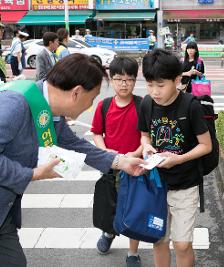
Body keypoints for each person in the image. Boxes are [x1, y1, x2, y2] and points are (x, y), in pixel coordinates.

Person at [0, 53, 146, 267]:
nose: (92, 104)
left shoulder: (44, 105)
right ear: (76, 92)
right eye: (93, 97)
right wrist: (32, 174)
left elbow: (75, 144)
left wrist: (121, 162)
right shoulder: (14, 102)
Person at [139, 48, 212, 267]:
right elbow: (144, 136)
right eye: (150, 84)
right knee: (159, 239)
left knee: (181, 244)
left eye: (160, 85)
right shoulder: (146, 104)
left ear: (177, 79)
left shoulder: (190, 105)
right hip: (157, 185)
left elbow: (205, 146)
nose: (154, 91)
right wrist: (147, 147)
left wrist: (178, 159)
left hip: (185, 184)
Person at [91, 57, 143, 267]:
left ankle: (132, 252)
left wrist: (135, 153)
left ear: (135, 80)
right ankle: (109, 232)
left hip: (135, 168)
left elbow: (146, 137)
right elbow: (96, 133)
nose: (124, 84)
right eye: (119, 79)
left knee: (134, 210)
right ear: (111, 80)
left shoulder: (142, 105)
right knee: (109, 206)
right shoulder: (103, 106)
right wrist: (105, 153)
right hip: (111, 168)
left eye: (129, 79)